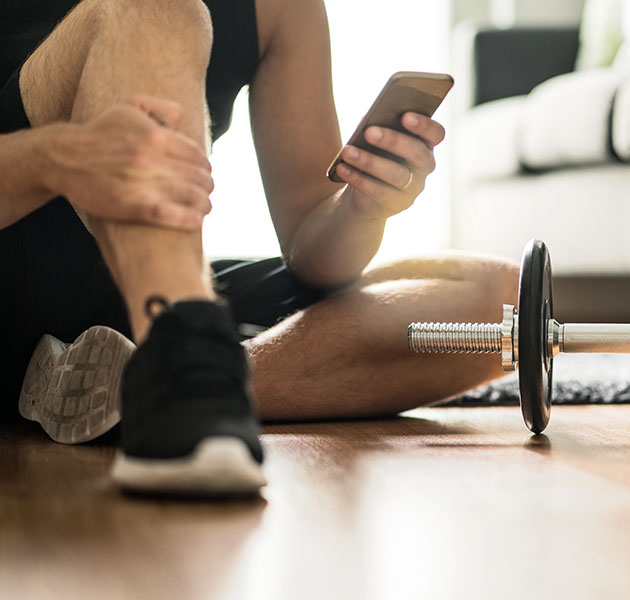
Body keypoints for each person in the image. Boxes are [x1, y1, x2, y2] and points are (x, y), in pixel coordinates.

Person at [0, 0, 518, 495]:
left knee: (503, 304)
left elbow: (313, 256)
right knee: (155, 8)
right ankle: (183, 373)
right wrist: (56, 156)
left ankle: (161, 383)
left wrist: (362, 206)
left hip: (123, 307)